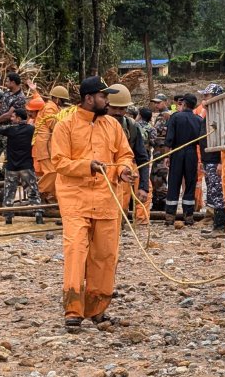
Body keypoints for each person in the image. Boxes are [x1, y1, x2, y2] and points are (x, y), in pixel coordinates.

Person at [50, 77, 134, 333]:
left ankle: (97, 309)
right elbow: (59, 162)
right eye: (103, 96)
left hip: (108, 201)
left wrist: (124, 170)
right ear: (89, 98)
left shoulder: (112, 125)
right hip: (75, 200)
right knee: (76, 252)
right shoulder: (65, 126)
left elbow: (125, 155)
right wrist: (87, 166)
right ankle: (73, 310)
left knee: (105, 256)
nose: (107, 101)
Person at [0, 107, 42, 223]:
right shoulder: (31, 129)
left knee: (9, 193)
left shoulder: (10, 130)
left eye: (13, 117)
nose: (11, 119)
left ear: (18, 118)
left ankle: (8, 219)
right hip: (27, 167)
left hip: (12, 168)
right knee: (33, 192)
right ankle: (38, 216)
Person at [106, 84, 150, 227]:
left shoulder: (132, 127)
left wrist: (143, 187)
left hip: (121, 178)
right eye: (114, 108)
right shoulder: (93, 125)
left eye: (122, 108)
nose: (118, 112)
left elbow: (143, 158)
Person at [165, 93, 204, 226]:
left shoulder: (175, 117)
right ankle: (188, 216)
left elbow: (169, 140)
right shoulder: (198, 120)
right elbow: (202, 142)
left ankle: (170, 216)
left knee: (174, 182)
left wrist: (167, 156)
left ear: (184, 104)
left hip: (177, 152)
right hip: (192, 153)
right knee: (190, 183)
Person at [0, 72, 26, 181]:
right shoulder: (6, 94)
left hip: (10, 131)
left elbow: (8, 115)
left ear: (13, 82)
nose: (6, 83)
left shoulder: (20, 98)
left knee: (8, 158)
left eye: (7, 81)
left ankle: (5, 178)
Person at [197, 84, 225, 237]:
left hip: (216, 161)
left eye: (206, 96)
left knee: (218, 194)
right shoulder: (209, 115)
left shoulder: (221, 116)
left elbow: (224, 140)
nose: (204, 99)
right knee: (212, 192)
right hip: (208, 160)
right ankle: (217, 225)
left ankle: (220, 227)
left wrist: (222, 161)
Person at [32, 85, 71, 201]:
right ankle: (37, 193)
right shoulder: (50, 107)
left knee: (57, 172)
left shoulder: (54, 107)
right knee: (52, 172)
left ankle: (53, 198)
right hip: (45, 145)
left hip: (49, 145)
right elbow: (53, 124)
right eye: (63, 100)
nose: (64, 103)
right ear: (57, 99)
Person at [150, 94, 172, 211]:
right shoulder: (161, 115)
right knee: (155, 176)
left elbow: (156, 131)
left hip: (162, 149)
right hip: (159, 149)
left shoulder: (165, 116)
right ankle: (157, 201)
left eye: (159, 102)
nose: (156, 105)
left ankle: (161, 202)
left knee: (160, 176)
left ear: (165, 102)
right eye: (155, 103)